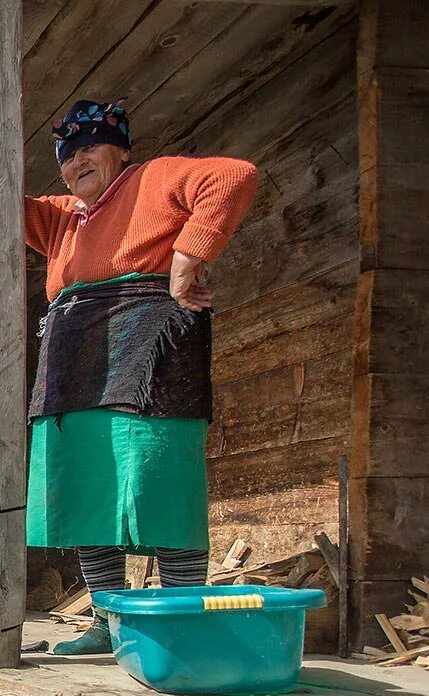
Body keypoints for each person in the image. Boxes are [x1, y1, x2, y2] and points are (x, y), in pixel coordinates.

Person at [23, 98, 258, 653]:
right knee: (86, 495)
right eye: (66, 154)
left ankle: (179, 623)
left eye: (89, 148)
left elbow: (234, 176)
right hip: (74, 363)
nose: (76, 161)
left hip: (151, 348)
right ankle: (107, 624)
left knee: (163, 485)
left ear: (120, 149)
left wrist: (187, 255)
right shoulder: (59, 216)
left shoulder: (154, 179)